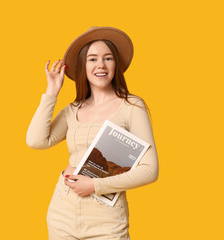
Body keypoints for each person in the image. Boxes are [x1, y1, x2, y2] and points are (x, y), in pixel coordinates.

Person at [26, 26, 159, 240]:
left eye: (108, 58)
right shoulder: (73, 110)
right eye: (92, 59)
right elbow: (35, 141)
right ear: (83, 66)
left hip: (107, 220)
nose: (101, 65)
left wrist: (95, 186)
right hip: (63, 212)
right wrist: (51, 91)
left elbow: (150, 170)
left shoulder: (132, 106)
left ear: (116, 64)